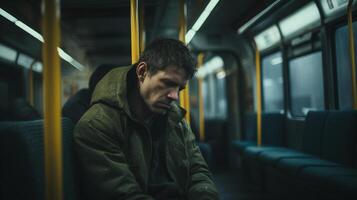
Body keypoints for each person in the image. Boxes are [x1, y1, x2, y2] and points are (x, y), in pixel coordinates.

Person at [74, 38, 219, 200]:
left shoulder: (174, 118)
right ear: (142, 72)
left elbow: (197, 170)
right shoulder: (97, 125)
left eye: (180, 88)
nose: (174, 96)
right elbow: (124, 194)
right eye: (167, 83)